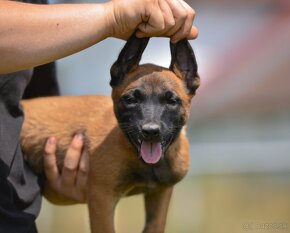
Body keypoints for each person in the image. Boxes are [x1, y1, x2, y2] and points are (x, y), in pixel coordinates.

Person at [0, 0, 198, 232]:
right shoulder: (116, 146)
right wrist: (112, 17)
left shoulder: (178, 163)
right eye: (132, 99)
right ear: (118, 77)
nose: (151, 122)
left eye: (171, 101)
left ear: (190, 81)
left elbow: (34, 77)